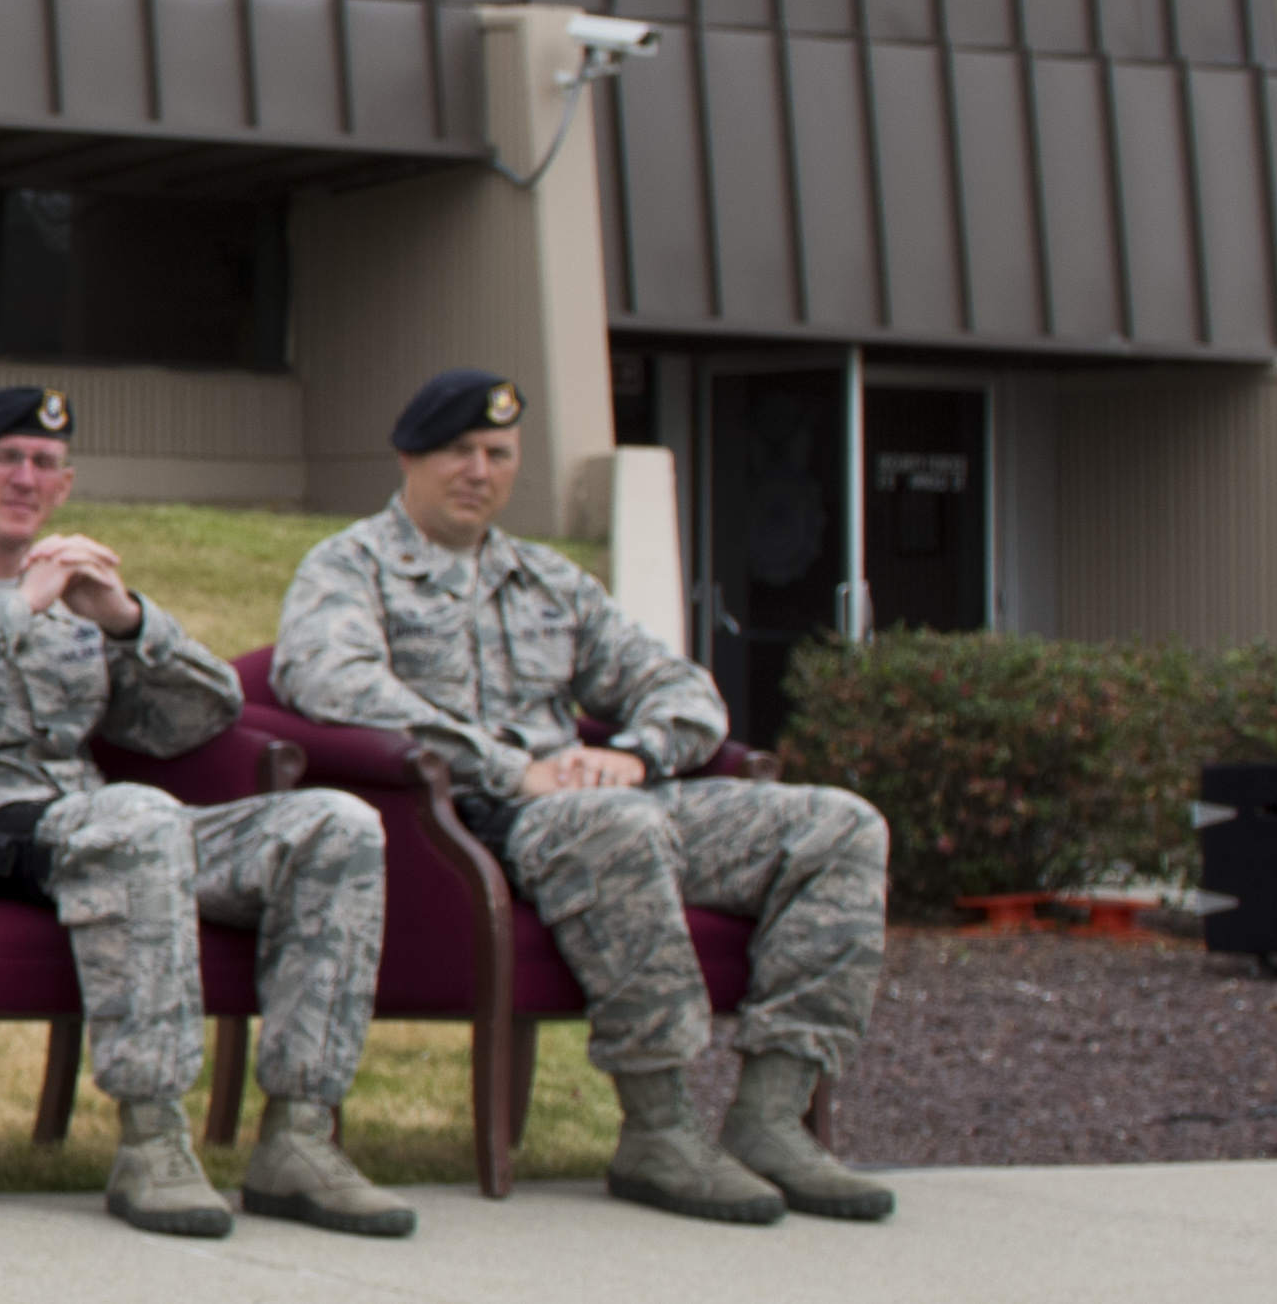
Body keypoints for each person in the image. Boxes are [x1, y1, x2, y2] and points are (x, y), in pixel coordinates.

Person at [272, 370, 892, 1227]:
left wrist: (636, 753)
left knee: (838, 825)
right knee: (612, 825)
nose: (479, 471)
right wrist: (506, 766)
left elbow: (677, 685)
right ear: (409, 455)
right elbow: (329, 682)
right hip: (473, 825)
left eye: (497, 454)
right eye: (458, 451)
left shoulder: (546, 580)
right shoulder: (349, 566)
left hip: (599, 800)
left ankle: (771, 1119)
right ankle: (659, 1128)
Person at [0, 387, 409, 1239]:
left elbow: (208, 714)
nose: (27, 478)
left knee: (336, 824)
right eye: (7, 458)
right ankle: (153, 1139)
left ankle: (301, 1138)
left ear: (66, 484)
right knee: (137, 818)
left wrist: (127, 622)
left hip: (109, 818)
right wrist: (13, 607)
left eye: (47, 464)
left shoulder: (80, 588)